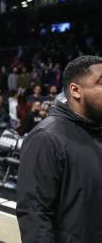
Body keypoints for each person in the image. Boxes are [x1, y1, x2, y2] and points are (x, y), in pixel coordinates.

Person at [17, 55, 102, 242]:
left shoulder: (97, 132)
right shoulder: (46, 137)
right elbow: (34, 215)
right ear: (75, 90)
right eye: (101, 82)